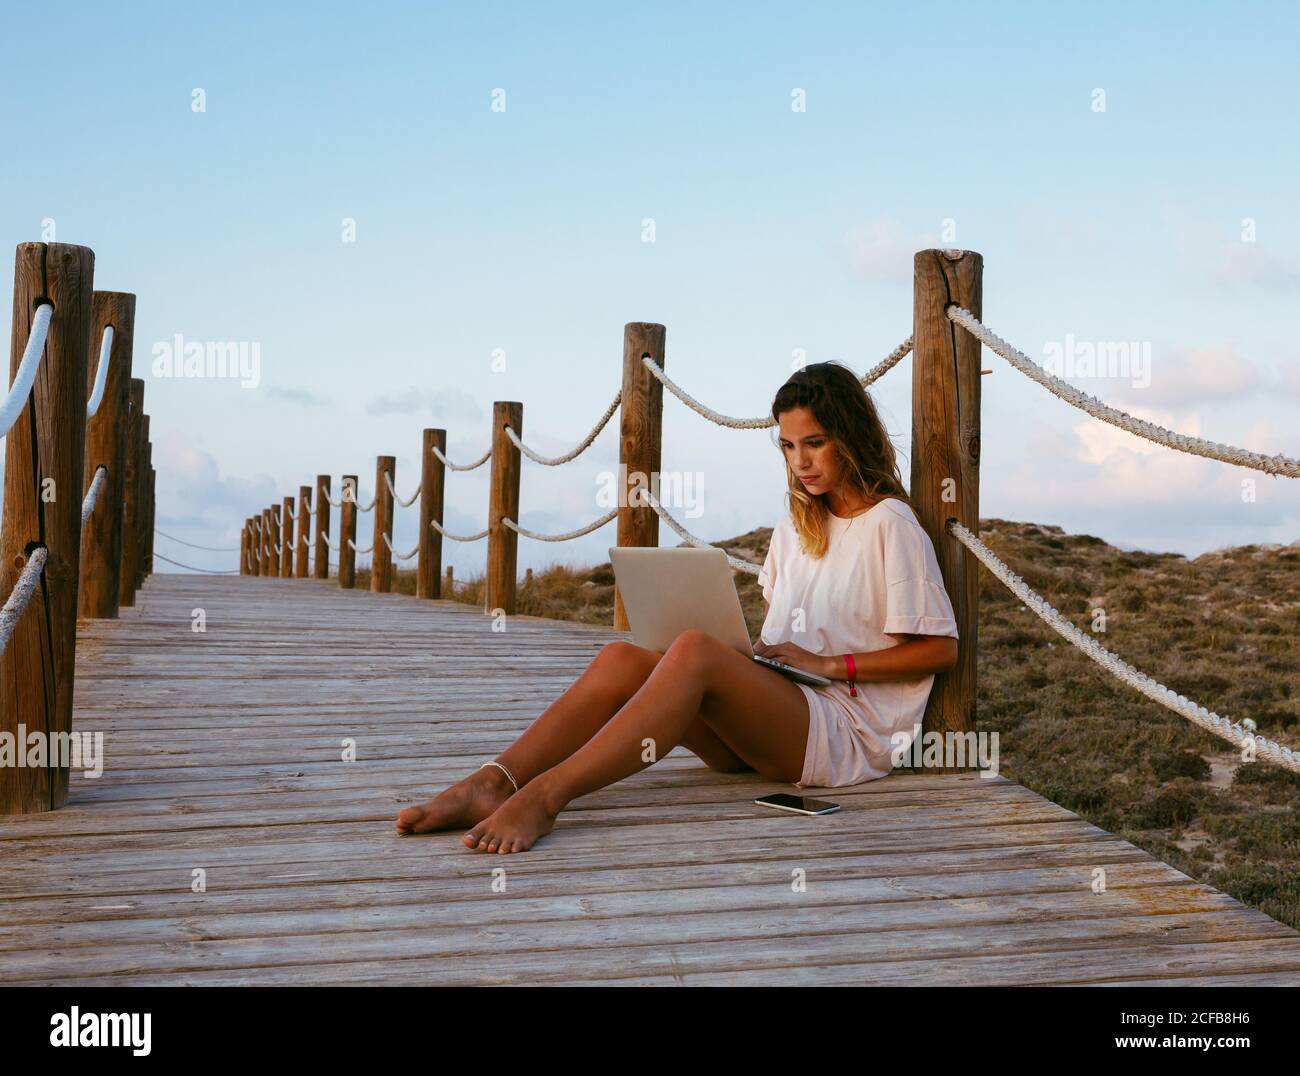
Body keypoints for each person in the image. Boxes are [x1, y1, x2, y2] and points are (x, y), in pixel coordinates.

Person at [395, 361, 959, 853]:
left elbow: (940, 649)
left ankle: (547, 795)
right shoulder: (798, 524)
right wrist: (760, 657)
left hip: (843, 733)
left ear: (850, 436)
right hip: (777, 720)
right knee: (623, 658)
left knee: (693, 651)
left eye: (813, 443)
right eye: (788, 446)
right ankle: (495, 781)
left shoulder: (891, 524)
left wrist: (834, 666)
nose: (800, 462)